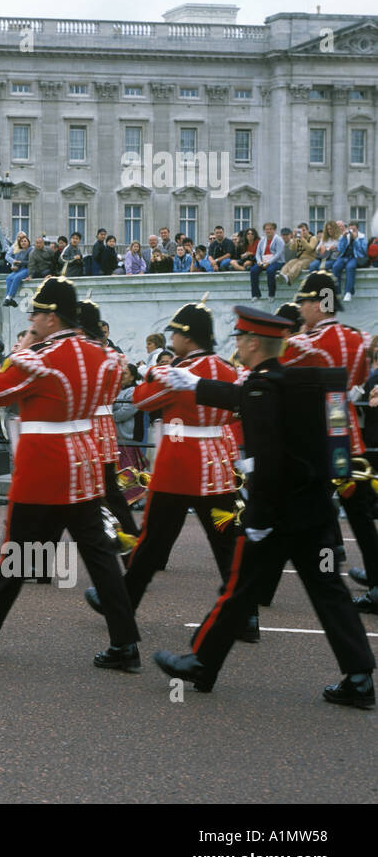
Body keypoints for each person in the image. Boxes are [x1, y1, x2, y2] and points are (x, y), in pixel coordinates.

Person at [152, 306, 375, 708]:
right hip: (314, 513)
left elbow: (268, 459)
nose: (236, 344)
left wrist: (256, 520)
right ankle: (360, 677)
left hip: (275, 518)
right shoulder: (281, 381)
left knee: (237, 589)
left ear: (253, 343)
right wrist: (195, 382)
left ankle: (201, 663)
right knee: (330, 592)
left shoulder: (262, 387)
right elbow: (243, 395)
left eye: (239, 338)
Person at [0, 277, 141, 670]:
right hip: (83, 460)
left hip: (44, 464)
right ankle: (125, 643)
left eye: (35, 313)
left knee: (18, 551)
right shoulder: (100, 355)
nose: (31, 319)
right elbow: (115, 384)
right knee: (98, 556)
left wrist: (21, 349)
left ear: (50, 317)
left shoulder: (41, 357)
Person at [84, 300, 254, 635]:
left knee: (152, 543)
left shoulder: (178, 371)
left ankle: (121, 603)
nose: (172, 339)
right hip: (216, 464)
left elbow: (142, 400)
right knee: (225, 542)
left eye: (175, 333)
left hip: (179, 465)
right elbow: (236, 409)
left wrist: (152, 374)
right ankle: (246, 617)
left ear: (188, 338)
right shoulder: (225, 367)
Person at [280, 271, 378, 614]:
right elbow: (362, 380)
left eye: (305, 302)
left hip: (316, 434)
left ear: (318, 302)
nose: (302, 309)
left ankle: (325, 574)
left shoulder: (308, 341)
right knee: (360, 514)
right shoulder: (358, 338)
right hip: (346, 430)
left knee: (317, 511)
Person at [78, 301, 138, 548]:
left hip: (83, 425)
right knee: (110, 491)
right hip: (104, 425)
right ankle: (131, 542)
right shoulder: (113, 355)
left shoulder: (82, 353)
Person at [329, 221, 367, 302]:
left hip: (355, 257)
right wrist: (343, 238)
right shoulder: (346, 236)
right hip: (344, 257)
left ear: (358, 229)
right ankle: (337, 292)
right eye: (351, 229)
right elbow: (340, 249)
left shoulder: (362, 237)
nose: (352, 231)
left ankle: (348, 292)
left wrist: (356, 239)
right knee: (335, 267)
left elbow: (363, 251)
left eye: (354, 230)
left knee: (350, 267)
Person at [249, 221, 285, 300]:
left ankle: (271, 295)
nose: (268, 231)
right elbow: (258, 253)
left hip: (277, 262)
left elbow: (278, 254)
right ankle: (255, 294)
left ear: (274, 230)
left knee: (270, 270)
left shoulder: (279, 240)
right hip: (263, 261)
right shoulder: (262, 240)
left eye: (270, 229)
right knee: (253, 270)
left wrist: (268, 262)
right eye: (266, 229)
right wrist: (259, 261)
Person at [2, 233, 31, 306]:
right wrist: (14, 266)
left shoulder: (31, 250)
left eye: (25, 241)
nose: (23, 242)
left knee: (17, 277)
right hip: (19, 269)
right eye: (21, 241)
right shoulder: (19, 252)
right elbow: (16, 262)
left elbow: (31, 262)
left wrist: (21, 262)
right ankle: (9, 298)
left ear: (28, 242)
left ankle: (10, 297)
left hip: (28, 269)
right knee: (8, 278)